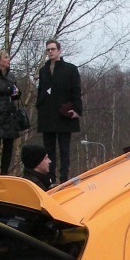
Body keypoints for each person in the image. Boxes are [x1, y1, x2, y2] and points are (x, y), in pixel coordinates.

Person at [36, 39, 83, 185]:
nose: (50, 52)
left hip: (63, 114)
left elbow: (76, 90)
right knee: (48, 150)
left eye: (53, 49)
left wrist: (77, 110)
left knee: (64, 149)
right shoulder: (43, 70)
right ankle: (50, 179)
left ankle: (64, 178)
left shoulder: (70, 69)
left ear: (59, 50)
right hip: (47, 114)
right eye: (48, 49)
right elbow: (41, 90)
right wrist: (39, 105)